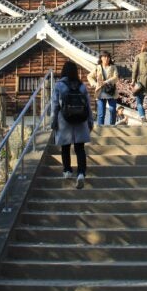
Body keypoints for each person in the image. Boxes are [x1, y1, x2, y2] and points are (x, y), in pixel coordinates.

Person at [51, 60, 93, 189]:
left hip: (65, 120)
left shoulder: (59, 85)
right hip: (80, 119)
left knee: (65, 147)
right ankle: (81, 173)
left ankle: (67, 170)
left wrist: (53, 122)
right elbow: (88, 105)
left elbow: (55, 105)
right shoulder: (82, 86)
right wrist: (90, 121)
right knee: (80, 148)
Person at [87, 51, 118, 126]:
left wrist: (106, 81)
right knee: (101, 113)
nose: (106, 58)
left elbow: (116, 77)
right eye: (104, 57)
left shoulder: (113, 67)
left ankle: (112, 126)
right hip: (100, 92)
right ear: (101, 58)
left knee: (112, 110)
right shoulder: (97, 68)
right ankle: (101, 129)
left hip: (111, 91)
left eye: (108, 57)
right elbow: (89, 76)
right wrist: (95, 84)